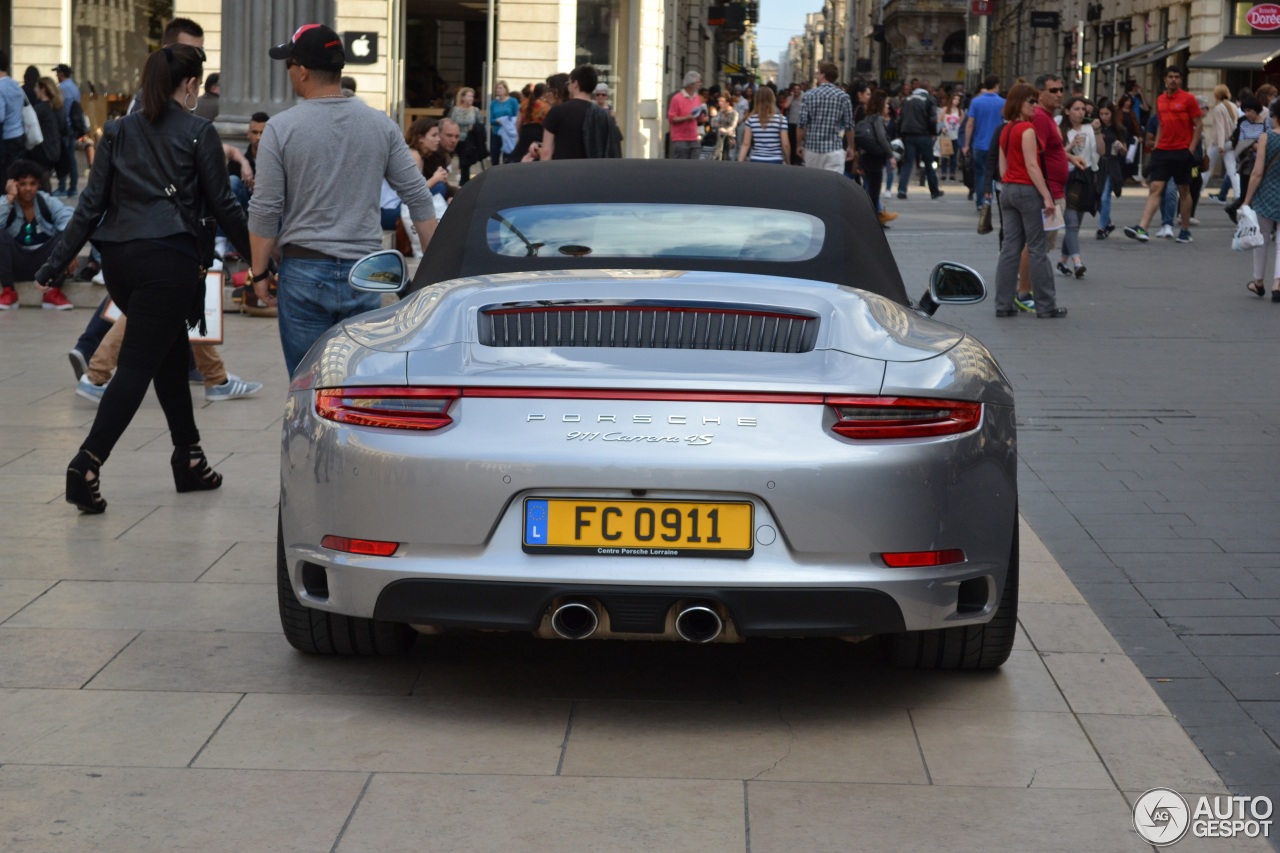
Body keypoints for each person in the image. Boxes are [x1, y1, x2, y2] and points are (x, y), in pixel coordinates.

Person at [34, 44, 253, 513]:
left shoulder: (116, 130)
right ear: (191, 85)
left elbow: (91, 206)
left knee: (170, 356)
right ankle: (86, 464)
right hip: (168, 260)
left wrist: (54, 265)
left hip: (120, 262)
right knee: (136, 365)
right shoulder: (199, 133)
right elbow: (223, 204)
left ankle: (189, 457)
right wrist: (261, 260)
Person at [248, 23, 437, 377]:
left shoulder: (281, 128)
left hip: (304, 271)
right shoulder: (380, 125)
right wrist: (435, 272)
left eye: (289, 65)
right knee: (356, 387)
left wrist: (258, 272)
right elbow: (418, 196)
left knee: (308, 386)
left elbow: (265, 208)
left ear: (302, 71)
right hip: (366, 272)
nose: (289, 73)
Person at [993, 83, 1066, 319]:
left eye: (1036, 101)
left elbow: (1002, 167)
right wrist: (1047, 196)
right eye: (1030, 102)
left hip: (1008, 190)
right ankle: (1046, 305)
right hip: (1027, 190)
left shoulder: (1006, 130)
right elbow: (1032, 166)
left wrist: (1009, 183)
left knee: (1010, 248)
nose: (1035, 106)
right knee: (1037, 248)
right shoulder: (1027, 129)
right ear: (1018, 103)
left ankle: (1003, 304)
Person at [1124, 67, 1201, 244]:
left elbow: (1199, 125)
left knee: (1183, 190)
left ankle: (1185, 230)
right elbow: (1161, 124)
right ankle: (1143, 228)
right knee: (1155, 188)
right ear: (1165, 79)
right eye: (1170, 77)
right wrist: (1157, 146)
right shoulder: (1160, 100)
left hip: (1182, 151)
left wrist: (1191, 148)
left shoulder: (1188, 99)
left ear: (1181, 80)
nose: (1173, 80)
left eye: (1176, 77)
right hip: (1163, 151)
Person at [0, 161, 76, 309]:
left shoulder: (46, 201)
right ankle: (9, 291)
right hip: (15, 263)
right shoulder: (6, 203)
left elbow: (68, 220)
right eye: (22, 184)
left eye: (32, 183)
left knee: (66, 238)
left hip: (45, 264)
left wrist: (72, 251)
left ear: (39, 184)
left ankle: (52, 292)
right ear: (14, 184)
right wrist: (10, 197)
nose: (28, 189)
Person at [1057, 97, 1102, 278]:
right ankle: (1077, 262)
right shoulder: (1060, 129)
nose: (1081, 112)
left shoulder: (1090, 129)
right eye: (1076, 109)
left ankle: (1062, 261)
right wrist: (1070, 145)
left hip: (1086, 177)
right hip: (1067, 177)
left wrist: (1098, 132)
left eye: (1083, 109)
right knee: (1072, 223)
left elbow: (1102, 152)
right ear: (1067, 111)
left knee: (1076, 223)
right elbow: (1055, 153)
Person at [1242, 103, 1280, 301]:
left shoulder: (1266, 138)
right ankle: (1278, 283)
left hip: (1267, 192)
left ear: (1275, 117)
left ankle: (1258, 282)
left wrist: (1246, 200)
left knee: (1262, 238)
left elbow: (1257, 173)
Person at [797, 62, 854, 172]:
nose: (816, 75)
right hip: (834, 150)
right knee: (832, 186)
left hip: (812, 149)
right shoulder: (843, 97)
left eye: (818, 73)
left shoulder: (809, 95)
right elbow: (849, 125)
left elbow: (801, 124)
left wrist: (799, 144)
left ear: (823, 75)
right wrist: (851, 146)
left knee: (813, 185)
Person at [540, 64, 599, 161]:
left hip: (562, 171)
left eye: (569, 83)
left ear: (575, 84)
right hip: (591, 172)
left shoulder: (557, 112)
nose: (568, 87)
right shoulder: (603, 114)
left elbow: (546, 152)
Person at [859, 89, 897, 226]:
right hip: (874, 159)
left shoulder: (868, 117)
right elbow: (882, 138)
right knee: (874, 191)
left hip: (866, 158)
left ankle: (871, 218)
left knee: (870, 189)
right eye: (886, 103)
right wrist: (891, 156)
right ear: (880, 104)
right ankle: (873, 221)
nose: (888, 106)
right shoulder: (878, 118)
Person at [895, 84, 941, 198]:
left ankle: (902, 190)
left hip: (908, 136)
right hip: (924, 135)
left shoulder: (906, 100)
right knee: (929, 163)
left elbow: (899, 119)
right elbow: (932, 119)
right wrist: (933, 133)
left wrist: (899, 134)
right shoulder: (929, 100)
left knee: (907, 163)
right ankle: (934, 191)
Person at [1094, 101, 1129, 239]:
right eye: (1101, 114)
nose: (1104, 117)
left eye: (1107, 114)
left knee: (1105, 196)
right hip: (1097, 164)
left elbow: (1125, 153)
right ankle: (1108, 222)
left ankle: (1101, 227)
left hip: (1111, 164)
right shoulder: (1096, 127)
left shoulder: (1119, 130)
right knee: (1095, 198)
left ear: (1112, 114)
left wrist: (1121, 147)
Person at [737, 85, 789, 165]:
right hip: (776, 160)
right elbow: (785, 144)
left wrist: (740, 161)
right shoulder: (781, 120)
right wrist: (788, 161)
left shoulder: (751, 120)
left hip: (756, 159)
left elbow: (746, 144)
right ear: (773, 99)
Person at [25, 77, 63, 177]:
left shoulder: (39, 109)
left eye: (37, 87)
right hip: (54, 150)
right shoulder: (58, 108)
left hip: (43, 151)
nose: (35, 90)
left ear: (43, 90)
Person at [1208, 84, 1238, 204]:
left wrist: (1220, 145)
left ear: (1216, 95)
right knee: (1232, 170)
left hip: (1219, 143)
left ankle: (1197, 190)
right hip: (1231, 141)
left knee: (1206, 168)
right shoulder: (1233, 106)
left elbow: (1220, 128)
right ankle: (1238, 194)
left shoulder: (1218, 108)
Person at [0, 52, 27, 181]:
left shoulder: (0, 87)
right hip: (19, 133)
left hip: (7, 137)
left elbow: (0, 116)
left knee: (6, 176)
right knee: (15, 174)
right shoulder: (15, 84)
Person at [667, 71, 704, 160]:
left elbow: (698, 117)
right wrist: (687, 118)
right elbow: (672, 118)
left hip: (694, 137)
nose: (700, 84)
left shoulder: (697, 98)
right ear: (691, 84)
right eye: (698, 82)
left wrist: (701, 118)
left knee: (695, 165)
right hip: (680, 138)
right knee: (681, 165)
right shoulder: (677, 98)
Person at [449, 86, 481, 184]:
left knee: (465, 163)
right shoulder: (455, 110)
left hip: (469, 140)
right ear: (463, 97)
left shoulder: (475, 110)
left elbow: (479, 124)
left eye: (472, 96)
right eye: (469, 96)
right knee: (451, 160)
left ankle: (464, 183)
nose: (471, 98)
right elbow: (450, 122)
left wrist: (474, 128)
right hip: (456, 139)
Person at [488, 80, 519, 166]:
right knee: (494, 156)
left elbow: (516, 117)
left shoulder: (513, 101)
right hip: (496, 132)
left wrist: (507, 120)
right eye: (497, 88)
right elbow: (491, 119)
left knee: (508, 157)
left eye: (500, 88)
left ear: (506, 89)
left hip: (508, 133)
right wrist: (498, 120)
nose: (498, 90)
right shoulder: (493, 103)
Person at [938, 92, 964, 181]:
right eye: (955, 99)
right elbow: (939, 120)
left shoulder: (960, 112)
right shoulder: (945, 109)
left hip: (955, 135)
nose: (956, 101)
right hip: (946, 136)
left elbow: (962, 124)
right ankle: (944, 173)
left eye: (958, 100)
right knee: (945, 155)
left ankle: (952, 173)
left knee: (954, 156)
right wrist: (942, 127)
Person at [711, 93, 738, 160]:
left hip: (729, 138)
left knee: (726, 157)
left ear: (727, 103)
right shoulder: (720, 112)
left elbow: (733, 126)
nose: (720, 103)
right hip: (719, 138)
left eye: (722, 101)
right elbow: (714, 123)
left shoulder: (734, 113)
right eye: (719, 101)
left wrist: (726, 130)